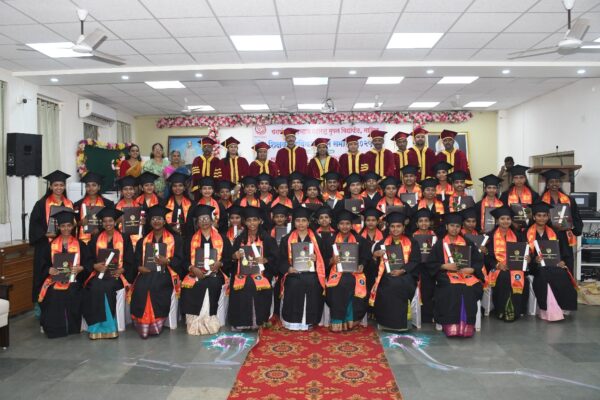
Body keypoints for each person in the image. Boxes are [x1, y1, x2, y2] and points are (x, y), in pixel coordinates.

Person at [426, 212, 484, 337]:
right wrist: (444, 266)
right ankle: (451, 325)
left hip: (467, 275)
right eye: (452, 225)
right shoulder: (440, 244)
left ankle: (466, 326)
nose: (454, 229)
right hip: (446, 275)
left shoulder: (467, 243)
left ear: (460, 228)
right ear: (446, 226)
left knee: (469, 288)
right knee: (453, 288)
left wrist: (472, 269)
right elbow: (430, 263)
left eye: (457, 226)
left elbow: (478, 260)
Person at [129, 205, 184, 339]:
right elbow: (136, 260)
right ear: (150, 221)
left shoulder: (176, 239)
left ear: (164, 221)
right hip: (146, 272)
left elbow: (180, 259)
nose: (156, 221)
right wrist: (139, 268)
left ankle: (155, 323)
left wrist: (168, 261)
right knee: (141, 286)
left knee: (155, 285)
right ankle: (143, 323)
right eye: (153, 219)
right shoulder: (143, 241)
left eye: (159, 218)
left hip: (167, 272)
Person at [83, 207, 134, 339]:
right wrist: (95, 266)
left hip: (117, 275)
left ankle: (109, 327)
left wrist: (122, 269)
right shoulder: (95, 238)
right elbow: (87, 258)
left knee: (107, 286)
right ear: (102, 223)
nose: (108, 224)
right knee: (94, 287)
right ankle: (95, 327)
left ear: (115, 222)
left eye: (110, 221)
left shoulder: (124, 238)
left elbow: (130, 259)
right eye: (105, 221)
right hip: (99, 274)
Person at [38, 210, 89, 338]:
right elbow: (42, 264)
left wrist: (81, 268)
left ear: (72, 227)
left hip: (75, 279)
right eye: (63, 226)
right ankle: (54, 328)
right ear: (59, 227)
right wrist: (49, 270)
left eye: (69, 225)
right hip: (54, 280)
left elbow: (89, 262)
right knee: (53, 293)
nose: (66, 228)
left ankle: (72, 327)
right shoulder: (50, 245)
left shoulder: (80, 244)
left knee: (72, 291)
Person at [180, 205, 231, 335]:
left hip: (216, 273)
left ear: (212, 220)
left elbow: (229, 258)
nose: (204, 221)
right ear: (197, 222)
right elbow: (183, 260)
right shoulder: (190, 240)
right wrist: (192, 268)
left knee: (212, 283)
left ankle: (210, 322)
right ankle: (195, 322)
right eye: (201, 219)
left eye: (206, 218)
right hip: (195, 273)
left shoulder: (222, 239)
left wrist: (220, 263)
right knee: (193, 285)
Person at [279, 207, 331, 330]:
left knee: (312, 283)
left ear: (308, 222)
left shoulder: (317, 239)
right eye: (298, 220)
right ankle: (292, 322)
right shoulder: (286, 239)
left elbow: (325, 259)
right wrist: (288, 268)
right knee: (294, 283)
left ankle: (309, 321)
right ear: (294, 222)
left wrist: (317, 259)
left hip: (312, 273)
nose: (301, 223)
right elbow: (280, 259)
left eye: (304, 220)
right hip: (293, 273)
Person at [526, 202, 578, 321]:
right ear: (534, 217)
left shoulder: (556, 232)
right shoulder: (525, 233)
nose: (542, 218)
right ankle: (547, 309)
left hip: (554, 265)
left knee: (561, 273)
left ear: (548, 217)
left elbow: (563, 252)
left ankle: (563, 306)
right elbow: (524, 254)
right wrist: (534, 259)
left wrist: (562, 261)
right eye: (539, 215)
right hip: (535, 267)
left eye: (544, 215)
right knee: (544, 273)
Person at [369, 211, 421, 331]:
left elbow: (415, 261)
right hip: (386, 275)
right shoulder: (381, 244)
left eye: (398, 226)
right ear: (389, 227)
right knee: (388, 283)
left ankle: (401, 322)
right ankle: (385, 322)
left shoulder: (412, 242)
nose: (395, 229)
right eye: (392, 226)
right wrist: (375, 256)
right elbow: (373, 267)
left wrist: (402, 270)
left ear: (403, 227)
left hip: (406, 274)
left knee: (398, 283)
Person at [229, 207, 279, 330]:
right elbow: (231, 259)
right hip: (242, 272)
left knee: (252, 283)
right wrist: (234, 256)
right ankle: (242, 322)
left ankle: (259, 321)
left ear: (260, 221)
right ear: (245, 222)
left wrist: (265, 260)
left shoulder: (267, 239)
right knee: (244, 283)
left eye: (254, 220)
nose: (252, 223)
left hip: (262, 272)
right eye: (249, 220)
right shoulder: (240, 239)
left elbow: (276, 258)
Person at [30, 170, 74, 305]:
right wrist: (45, 234)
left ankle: (64, 305)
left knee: (64, 273)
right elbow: (34, 224)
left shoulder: (69, 204)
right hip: (46, 245)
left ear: (64, 186)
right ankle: (42, 306)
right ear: (50, 186)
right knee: (44, 274)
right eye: (56, 185)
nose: (59, 188)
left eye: (61, 185)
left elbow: (73, 225)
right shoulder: (41, 204)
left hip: (65, 245)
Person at [325, 210, 370, 332]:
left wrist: (362, 265)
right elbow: (323, 260)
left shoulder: (360, 240)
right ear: (337, 225)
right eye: (342, 224)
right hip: (336, 272)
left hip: (354, 272)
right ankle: (338, 320)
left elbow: (365, 257)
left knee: (350, 281)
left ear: (351, 225)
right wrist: (331, 260)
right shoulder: (330, 241)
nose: (344, 226)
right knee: (340, 284)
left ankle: (350, 319)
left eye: (347, 223)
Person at [485, 206, 528, 322]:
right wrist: (497, 265)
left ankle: (515, 311)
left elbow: (525, 250)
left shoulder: (518, 235)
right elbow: (487, 257)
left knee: (519, 277)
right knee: (504, 277)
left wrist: (527, 257)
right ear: (497, 220)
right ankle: (502, 310)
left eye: (508, 219)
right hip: (497, 267)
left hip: (515, 267)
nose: (505, 221)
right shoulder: (489, 236)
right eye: (502, 219)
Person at [539, 169, 583, 260]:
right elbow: (536, 219)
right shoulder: (540, 201)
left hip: (565, 238)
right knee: (549, 262)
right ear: (547, 184)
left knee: (566, 263)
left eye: (557, 181)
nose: (554, 184)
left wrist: (571, 226)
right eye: (551, 181)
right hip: (547, 237)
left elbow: (576, 218)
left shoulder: (570, 200)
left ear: (560, 183)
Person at [411, 208, 438, 323]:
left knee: (429, 290)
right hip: (416, 267)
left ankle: (427, 315)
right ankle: (416, 315)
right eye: (421, 221)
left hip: (430, 268)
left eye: (426, 220)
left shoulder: (435, 237)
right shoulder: (412, 237)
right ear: (417, 224)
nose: (423, 223)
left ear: (430, 222)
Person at [74, 172, 115, 244]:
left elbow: (112, 222)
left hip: (102, 240)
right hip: (83, 241)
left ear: (99, 187)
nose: (91, 188)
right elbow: (73, 223)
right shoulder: (78, 204)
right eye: (88, 185)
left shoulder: (108, 204)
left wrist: (100, 229)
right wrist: (80, 223)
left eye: (94, 185)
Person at [499, 165, 539, 232]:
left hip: (529, 229)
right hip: (510, 228)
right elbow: (502, 211)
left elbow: (537, 211)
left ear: (525, 179)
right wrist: (512, 223)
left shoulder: (534, 195)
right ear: (513, 180)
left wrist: (529, 222)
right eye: (516, 178)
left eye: (521, 177)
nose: (519, 180)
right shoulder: (505, 195)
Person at [115, 176, 143, 247]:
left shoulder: (140, 206)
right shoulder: (115, 207)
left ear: (134, 191)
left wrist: (143, 222)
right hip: (120, 240)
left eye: (131, 189)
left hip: (137, 240)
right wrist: (117, 221)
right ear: (121, 191)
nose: (128, 192)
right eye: (125, 189)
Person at [162, 172, 193, 236]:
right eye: (174, 186)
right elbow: (162, 222)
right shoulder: (164, 204)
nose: (177, 188)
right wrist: (171, 228)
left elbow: (193, 224)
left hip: (187, 237)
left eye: (180, 185)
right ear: (171, 188)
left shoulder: (192, 204)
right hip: (169, 237)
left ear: (184, 188)